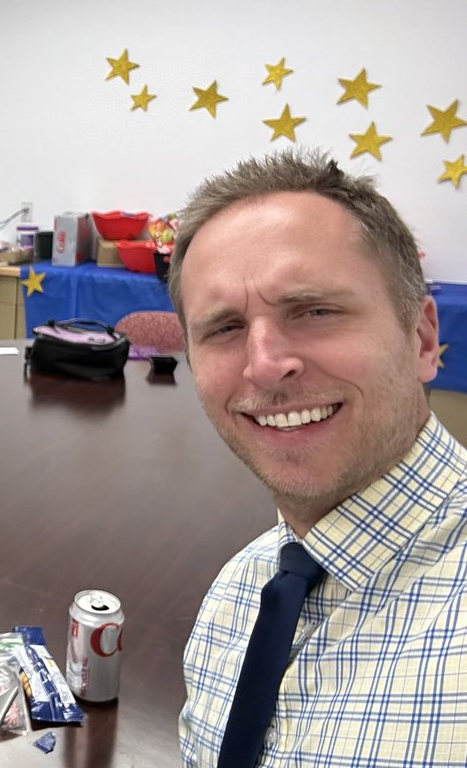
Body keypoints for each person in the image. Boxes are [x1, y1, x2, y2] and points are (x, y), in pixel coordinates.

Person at [170, 149, 464, 765]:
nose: (264, 365)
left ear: (422, 339)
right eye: (224, 328)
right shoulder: (239, 594)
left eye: (314, 311)